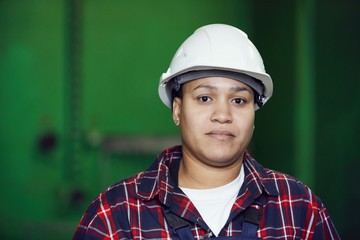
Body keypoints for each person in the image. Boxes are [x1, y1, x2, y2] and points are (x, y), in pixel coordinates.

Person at [73, 24, 340, 239]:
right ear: (177, 111)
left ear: (253, 113)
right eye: (204, 98)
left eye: (239, 100)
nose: (222, 115)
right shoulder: (117, 215)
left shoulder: (299, 210)